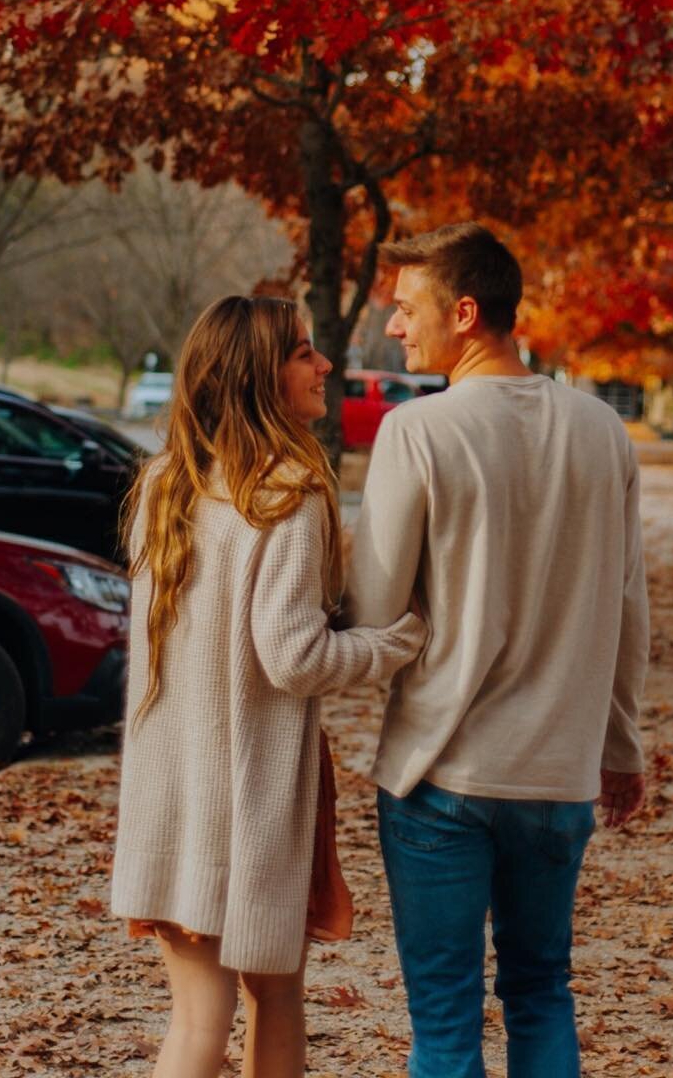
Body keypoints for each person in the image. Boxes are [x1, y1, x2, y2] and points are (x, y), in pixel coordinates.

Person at [342, 222, 650, 1078]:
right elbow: (629, 608)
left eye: (408, 309)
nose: (396, 328)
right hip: (557, 776)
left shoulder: (419, 432)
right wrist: (621, 749)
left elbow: (371, 608)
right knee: (543, 990)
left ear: (466, 312)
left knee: (444, 1024)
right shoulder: (602, 434)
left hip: (444, 775)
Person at [111, 295, 426, 1078]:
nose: (326, 367)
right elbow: (293, 658)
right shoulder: (289, 492)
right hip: (243, 802)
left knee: (207, 1014)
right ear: (260, 377)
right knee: (247, 1007)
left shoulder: (165, 485)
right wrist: (395, 642)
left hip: (168, 788)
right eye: (304, 354)